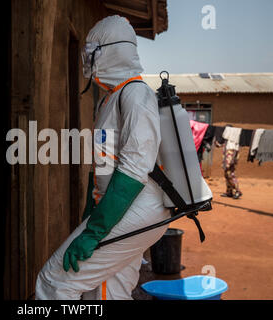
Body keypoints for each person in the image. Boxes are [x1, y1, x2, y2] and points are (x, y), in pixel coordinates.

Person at [35, 15, 170, 300]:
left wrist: (94, 231)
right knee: (107, 292)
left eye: (91, 52)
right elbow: (103, 163)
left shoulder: (136, 94)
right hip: (121, 208)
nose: (86, 59)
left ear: (109, 52)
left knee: (54, 282)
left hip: (139, 205)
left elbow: (135, 169)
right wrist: (90, 214)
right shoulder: (109, 99)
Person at [216, 127, 242, 200]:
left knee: (230, 174)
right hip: (226, 158)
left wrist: (230, 162)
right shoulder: (227, 140)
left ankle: (237, 191)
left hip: (230, 159)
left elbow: (234, 152)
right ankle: (229, 191)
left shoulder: (234, 141)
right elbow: (220, 145)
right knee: (226, 174)